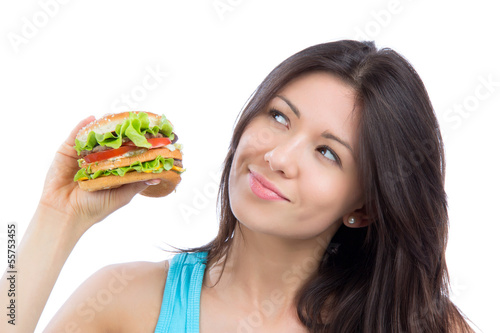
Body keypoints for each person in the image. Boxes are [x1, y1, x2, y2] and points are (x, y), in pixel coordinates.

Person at [1, 40, 474, 332]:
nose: (278, 156)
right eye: (279, 116)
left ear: (364, 208)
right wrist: (57, 217)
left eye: (327, 152)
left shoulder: (420, 326)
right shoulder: (126, 300)